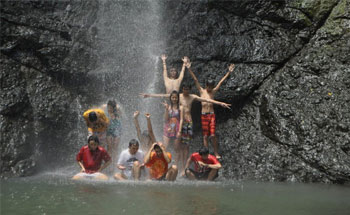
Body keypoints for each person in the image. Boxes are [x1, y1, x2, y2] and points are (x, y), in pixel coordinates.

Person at [140, 84, 231, 171]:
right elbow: (164, 95)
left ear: (189, 90)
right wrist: (149, 95)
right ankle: (165, 164)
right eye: (184, 89)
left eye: (187, 89)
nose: (185, 91)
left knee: (184, 147)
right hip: (172, 127)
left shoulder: (191, 98)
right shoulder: (177, 97)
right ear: (182, 89)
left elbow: (206, 99)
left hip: (185, 125)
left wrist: (220, 103)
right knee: (169, 146)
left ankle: (182, 167)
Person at [187, 62, 235, 159]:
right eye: (208, 87)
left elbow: (221, 82)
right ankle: (206, 153)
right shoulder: (201, 91)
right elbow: (195, 79)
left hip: (211, 115)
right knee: (205, 136)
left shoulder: (213, 91)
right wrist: (189, 68)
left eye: (211, 87)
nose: (210, 89)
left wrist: (229, 72)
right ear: (206, 85)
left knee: (212, 135)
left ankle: (216, 153)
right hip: (203, 115)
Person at [104, 100, 122, 171]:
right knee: (109, 147)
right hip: (109, 131)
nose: (109, 108)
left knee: (115, 147)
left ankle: (115, 164)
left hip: (117, 131)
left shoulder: (117, 112)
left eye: (111, 107)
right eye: (108, 107)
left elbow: (121, 113)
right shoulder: (106, 112)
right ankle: (108, 164)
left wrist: (115, 108)